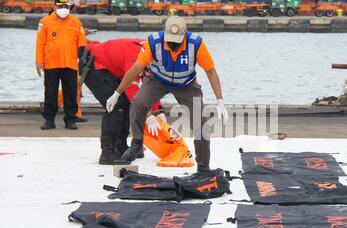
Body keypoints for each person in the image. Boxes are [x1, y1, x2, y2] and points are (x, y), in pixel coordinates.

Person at [106, 16, 229, 172]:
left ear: (185, 35)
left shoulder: (196, 44)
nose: (173, 44)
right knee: (138, 102)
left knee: (201, 122)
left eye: (177, 41)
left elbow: (210, 71)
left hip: (186, 84)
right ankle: (137, 143)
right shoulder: (153, 42)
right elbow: (137, 68)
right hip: (157, 80)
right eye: (170, 40)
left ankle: (203, 167)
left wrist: (220, 101)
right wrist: (117, 93)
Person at [79, 39, 162, 165]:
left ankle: (121, 145)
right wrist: (149, 116)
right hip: (94, 65)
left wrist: (158, 110)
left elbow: (152, 84)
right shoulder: (137, 54)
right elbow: (131, 89)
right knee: (115, 106)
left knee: (127, 104)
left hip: (110, 68)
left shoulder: (157, 58)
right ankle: (108, 152)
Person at [35, 0, 87, 130]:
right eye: (60, 6)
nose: (63, 8)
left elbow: (82, 42)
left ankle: (70, 119)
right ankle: (49, 120)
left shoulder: (76, 22)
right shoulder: (45, 22)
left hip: (70, 63)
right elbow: (40, 43)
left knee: (71, 93)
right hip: (51, 64)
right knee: (50, 93)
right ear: (54, 6)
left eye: (66, 6)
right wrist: (38, 61)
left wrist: (81, 59)